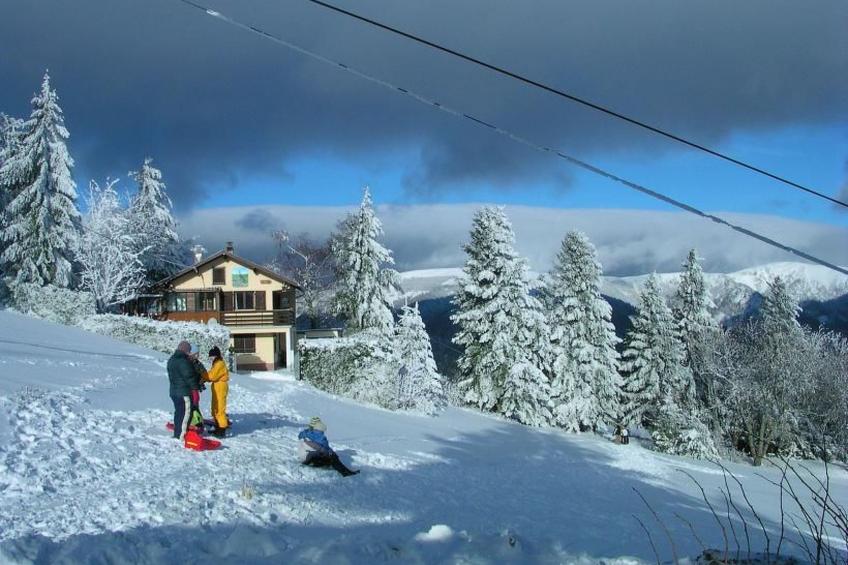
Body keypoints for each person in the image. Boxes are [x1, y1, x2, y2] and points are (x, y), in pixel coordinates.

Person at [167, 341, 200, 440]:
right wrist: (195, 390)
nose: (189, 353)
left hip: (174, 392)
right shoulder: (183, 361)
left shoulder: (171, 359)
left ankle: (178, 432)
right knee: (186, 414)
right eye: (189, 351)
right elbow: (189, 377)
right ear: (186, 350)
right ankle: (181, 436)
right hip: (184, 393)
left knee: (179, 413)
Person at [203, 346, 230, 438]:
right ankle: (218, 427)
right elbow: (211, 374)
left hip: (220, 386)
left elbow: (212, 376)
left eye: (212, 357)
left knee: (219, 408)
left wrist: (203, 376)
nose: (211, 359)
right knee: (215, 407)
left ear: (216, 356)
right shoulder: (216, 363)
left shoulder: (219, 364)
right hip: (217, 386)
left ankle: (222, 429)